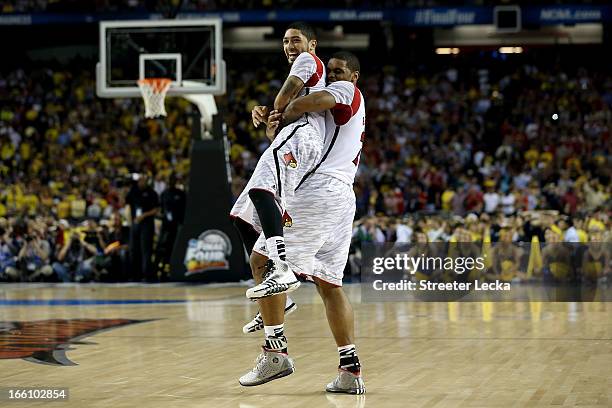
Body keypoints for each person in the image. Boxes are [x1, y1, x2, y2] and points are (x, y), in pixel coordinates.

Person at [239, 52, 366, 394]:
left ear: (353, 76)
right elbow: (296, 143)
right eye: (332, 70)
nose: (334, 74)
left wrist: (282, 108)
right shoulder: (327, 118)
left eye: (341, 71)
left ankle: (275, 352)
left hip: (321, 191)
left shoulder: (345, 92)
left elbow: (309, 100)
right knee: (330, 284)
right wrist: (275, 124)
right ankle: (350, 371)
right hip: (340, 196)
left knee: (263, 260)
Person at [230, 21, 327, 300]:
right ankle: (277, 298)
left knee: (261, 190)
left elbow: (284, 97)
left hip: (305, 135)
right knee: (243, 217)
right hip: (298, 138)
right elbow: (280, 120)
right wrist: (271, 119)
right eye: (285, 42)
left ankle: (282, 268)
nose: (289, 46)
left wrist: (271, 110)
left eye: (295, 40)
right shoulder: (310, 76)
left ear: (312, 44)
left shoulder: (308, 60)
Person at [126, 173, 159, 282]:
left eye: (143, 180)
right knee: (133, 250)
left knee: (146, 250)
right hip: (135, 224)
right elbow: (127, 204)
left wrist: (144, 215)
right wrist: (130, 220)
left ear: (147, 181)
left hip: (147, 224)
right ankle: (135, 274)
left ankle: (147, 275)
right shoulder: (133, 191)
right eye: (139, 180)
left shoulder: (152, 193)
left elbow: (156, 210)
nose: (141, 182)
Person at [155, 174, 186, 278]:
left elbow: (184, 211)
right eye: (169, 179)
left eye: (172, 179)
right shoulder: (164, 194)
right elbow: (161, 210)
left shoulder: (181, 194)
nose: (170, 181)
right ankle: (159, 269)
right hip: (165, 226)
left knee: (173, 249)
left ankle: (171, 270)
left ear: (175, 181)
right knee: (162, 247)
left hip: (177, 227)